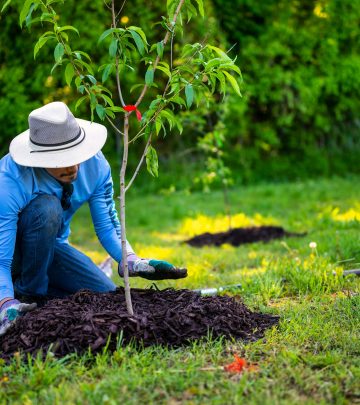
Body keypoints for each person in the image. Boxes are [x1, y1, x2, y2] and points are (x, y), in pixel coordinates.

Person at [0, 101, 187, 336]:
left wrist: (130, 259)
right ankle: (27, 295)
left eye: (74, 154)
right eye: (60, 159)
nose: (72, 166)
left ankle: (33, 291)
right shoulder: (11, 180)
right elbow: (2, 258)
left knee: (104, 295)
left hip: (50, 248)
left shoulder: (96, 166)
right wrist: (5, 302)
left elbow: (108, 225)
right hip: (10, 252)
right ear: (39, 158)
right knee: (47, 208)